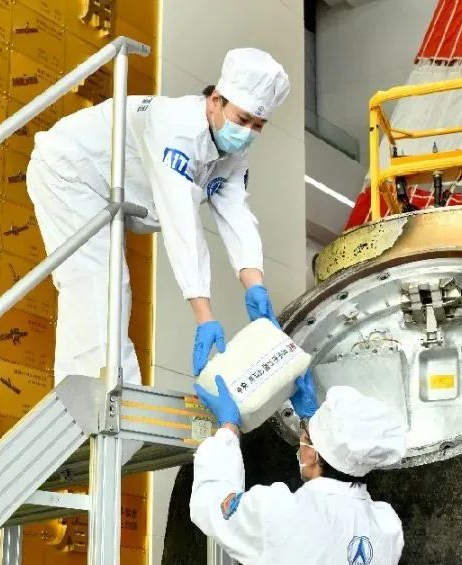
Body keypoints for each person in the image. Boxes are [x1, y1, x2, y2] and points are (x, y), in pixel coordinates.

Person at [27, 47, 290, 384]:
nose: (248, 132)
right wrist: (204, 315)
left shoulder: (233, 154)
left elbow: (237, 215)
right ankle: (98, 395)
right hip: (70, 171)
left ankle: (110, 391)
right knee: (98, 283)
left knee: (108, 285)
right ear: (215, 101)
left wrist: (256, 288)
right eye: (243, 120)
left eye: (258, 125)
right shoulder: (176, 128)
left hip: (110, 189)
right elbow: (182, 221)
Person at [190, 373, 406, 565]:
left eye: (304, 437)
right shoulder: (386, 528)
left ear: (311, 454)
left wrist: (227, 429)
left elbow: (210, 503)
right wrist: (315, 424)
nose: (301, 444)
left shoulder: (278, 513)